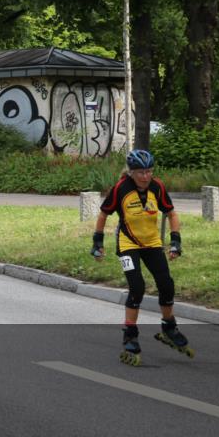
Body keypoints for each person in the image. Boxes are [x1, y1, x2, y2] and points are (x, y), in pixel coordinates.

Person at [92, 149, 189, 366]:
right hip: (128, 244)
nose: (145, 177)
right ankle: (130, 335)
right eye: (140, 173)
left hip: (152, 242)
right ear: (131, 172)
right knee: (137, 287)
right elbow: (103, 214)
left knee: (166, 284)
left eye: (148, 172)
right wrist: (97, 243)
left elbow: (171, 213)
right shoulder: (121, 189)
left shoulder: (157, 186)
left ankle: (169, 327)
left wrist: (176, 241)